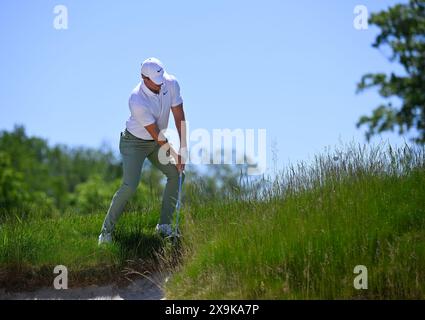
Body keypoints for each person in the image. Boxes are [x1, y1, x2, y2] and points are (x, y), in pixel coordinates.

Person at [98, 57, 186, 245]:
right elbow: (156, 135)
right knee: (130, 186)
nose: (160, 87)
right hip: (134, 143)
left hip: (156, 142)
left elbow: (179, 114)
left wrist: (183, 147)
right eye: (155, 84)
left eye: (161, 83)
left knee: (176, 174)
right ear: (143, 78)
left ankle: (164, 226)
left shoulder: (170, 83)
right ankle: (105, 233)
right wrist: (175, 154)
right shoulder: (136, 99)